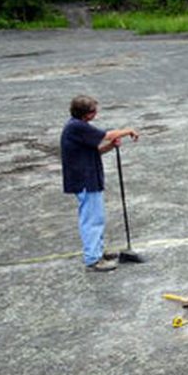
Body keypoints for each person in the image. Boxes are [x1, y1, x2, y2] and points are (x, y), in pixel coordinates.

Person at [60, 95, 139, 272]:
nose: (96, 113)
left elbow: (96, 150)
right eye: (94, 111)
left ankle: (97, 251)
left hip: (89, 178)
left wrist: (111, 146)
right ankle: (93, 259)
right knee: (91, 219)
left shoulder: (79, 127)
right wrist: (127, 131)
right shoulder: (77, 127)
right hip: (84, 180)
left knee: (97, 217)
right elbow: (107, 134)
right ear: (87, 114)